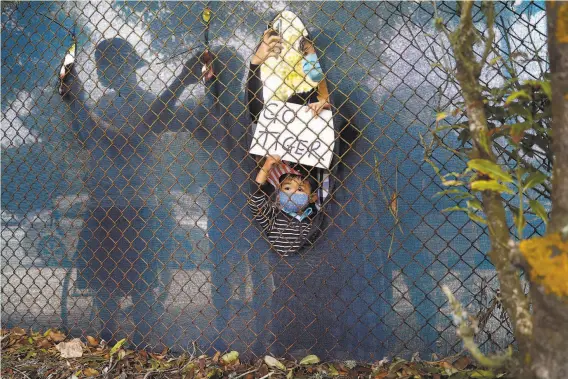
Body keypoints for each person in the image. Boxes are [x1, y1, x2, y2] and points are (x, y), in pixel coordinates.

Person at [58, 37, 212, 348]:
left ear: (131, 66)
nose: (107, 71)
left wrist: (82, 105)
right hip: (103, 202)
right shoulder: (102, 103)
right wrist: (75, 103)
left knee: (141, 280)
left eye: (114, 63)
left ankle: (143, 339)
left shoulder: (146, 102)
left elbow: (128, 139)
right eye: (104, 65)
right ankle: (107, 334)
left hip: (135, 203)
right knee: (103, 281)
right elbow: (87, 139)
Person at [250, 154, 319, 256]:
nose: (292, 193)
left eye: (300, 189)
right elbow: (257, 200)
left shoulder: (315, 220)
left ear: (312, 197)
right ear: (278, 195)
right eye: (287, 188)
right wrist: (266, 166)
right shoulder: (273, 216)